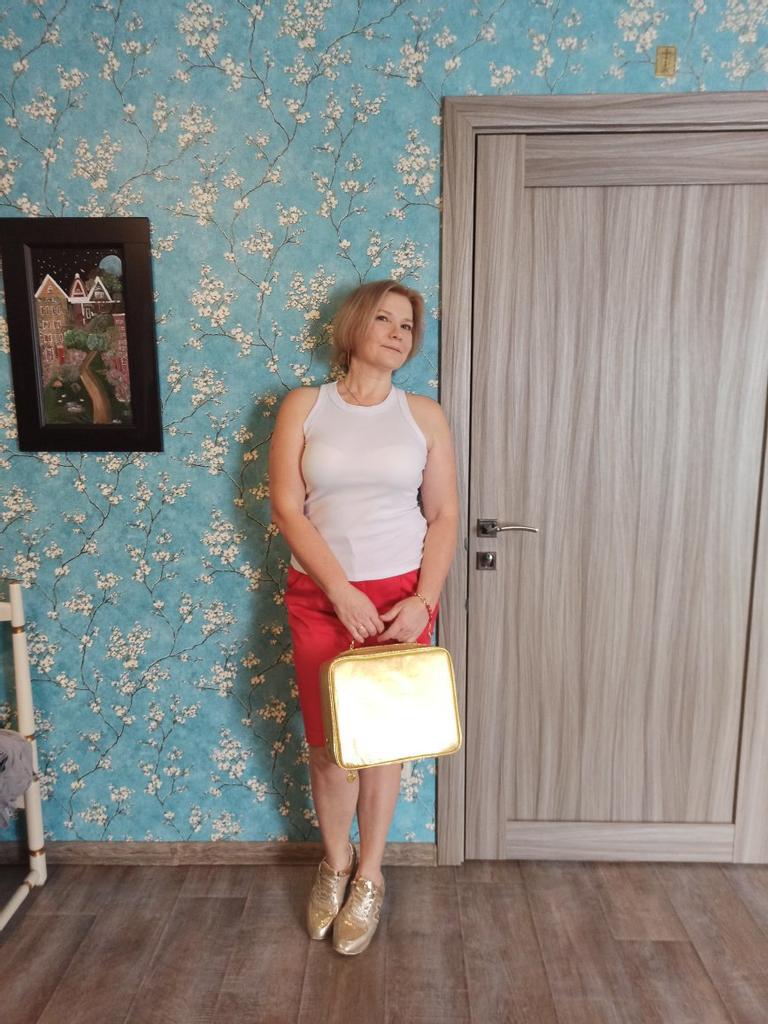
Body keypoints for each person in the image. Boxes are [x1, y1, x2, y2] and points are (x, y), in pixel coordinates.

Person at [268, 278, 459, 956]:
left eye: (407, 325)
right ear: (353, 326)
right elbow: (287, 506)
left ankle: (371, 875)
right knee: (329, 749)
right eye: (384, 319)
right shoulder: (304, 406)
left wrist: (423, 601)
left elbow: (444, 515)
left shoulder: (423, 416)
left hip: (401, 597)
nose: (398, 333)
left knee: (383, 745)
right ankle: (335, 862)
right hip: (322, 595)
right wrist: (339, 590)